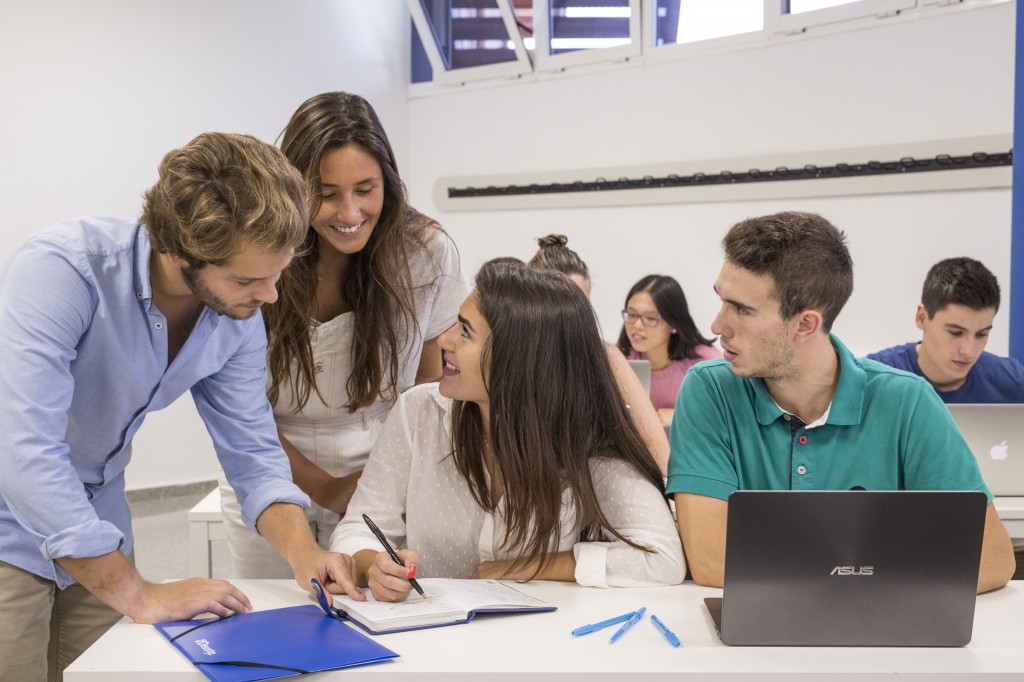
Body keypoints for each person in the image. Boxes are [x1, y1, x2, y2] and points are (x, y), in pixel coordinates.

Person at [0, 133, 362, 682]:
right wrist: (139, 592)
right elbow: (24, 453)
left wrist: (304, 554)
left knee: (101, 671)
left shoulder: (237, 314)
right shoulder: (61, 272)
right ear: (177, 252)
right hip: (9, 522)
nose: (269, 296)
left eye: (278, 273)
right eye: (247, 278)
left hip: (98, 526)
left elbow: (254, 453)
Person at [666, 211, 1015, 593]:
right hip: (753, 643)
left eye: (742, 309)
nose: (717, 326)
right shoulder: (709, 390)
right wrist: (874, 567)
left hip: (879, 639)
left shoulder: (908, 401)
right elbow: (712, 559)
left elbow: (992, 558)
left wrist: (820, 573)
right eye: (722, 300)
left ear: (805, 324)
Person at [218, 92, 466, 578]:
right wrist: (324, 488)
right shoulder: (254, 253)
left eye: (365, 189)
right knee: (278, 620)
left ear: (388, 184)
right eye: (326, 193)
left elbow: (429, 392)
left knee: (380, 616)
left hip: (381, 471)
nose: (348, 212)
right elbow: (240, 412)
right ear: (292, 187)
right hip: (269, 464)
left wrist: (391, 480)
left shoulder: (426, 251)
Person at [330, 263, 685, 601]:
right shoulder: (418, 412)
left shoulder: (587, 437)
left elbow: (662, 557)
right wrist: (370, 564)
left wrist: (519, 567)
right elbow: (357, 529)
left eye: (465, 331)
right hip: (430, 643)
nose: (444, 340)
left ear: (519, 359)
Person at [527, 234, 671, 473]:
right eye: (561, 303)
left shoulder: (606, 358)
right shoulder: (508, 358)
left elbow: (661, 458)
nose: (573, 316)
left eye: (581, 305)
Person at [867, 257, 1024, 403]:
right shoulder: (872, 378)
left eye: (981, 334)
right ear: (922, 318)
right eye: (956, 332)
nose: (968, 351)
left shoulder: (1014, 383)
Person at [616, 274, 721, 426]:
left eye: (650, 318)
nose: (637, 325)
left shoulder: (707, 364)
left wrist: (681, 417)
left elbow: (730, 417)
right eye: (631, 315)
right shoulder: (619, 362)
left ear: (673, 323)